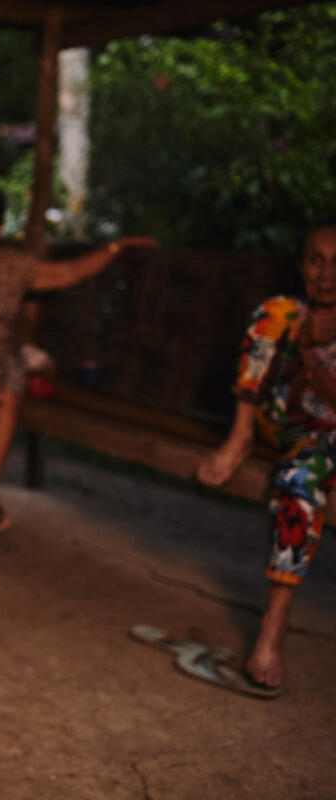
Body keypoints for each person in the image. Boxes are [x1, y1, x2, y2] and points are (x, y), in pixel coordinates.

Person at [0, 187, 157, 541]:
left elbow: (70, 273)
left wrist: (115, 247)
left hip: (0, 355)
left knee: (9, 401)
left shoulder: (13, 266)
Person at [197, 222, 336, 692]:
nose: (326, 273)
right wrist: (299, 341)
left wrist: (318, 366)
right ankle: (239, 439)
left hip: (325, 440)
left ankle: (273, 629)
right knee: (273, 313)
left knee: (299, 482)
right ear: (302, 266)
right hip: (275, 425)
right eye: (316, 260)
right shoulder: (289, 313)